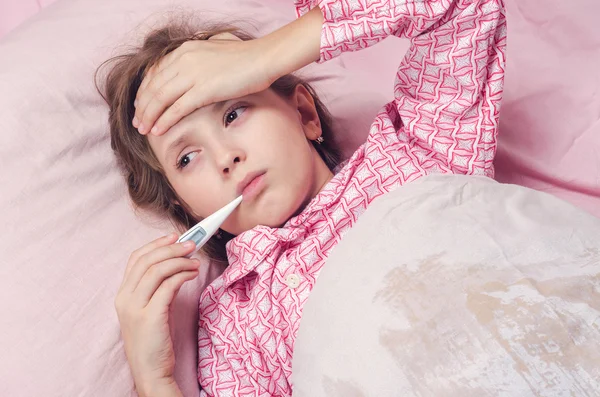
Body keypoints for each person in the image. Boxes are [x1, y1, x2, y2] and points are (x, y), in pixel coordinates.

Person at [97, 0, 506, 395]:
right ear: (183, 206)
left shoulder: (416, 151)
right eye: (187, 158)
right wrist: (155, 381)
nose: (225, 157)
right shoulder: (234, 329)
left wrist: (267, 55)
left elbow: (461, 7)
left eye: (234, 113)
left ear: (305, 115)